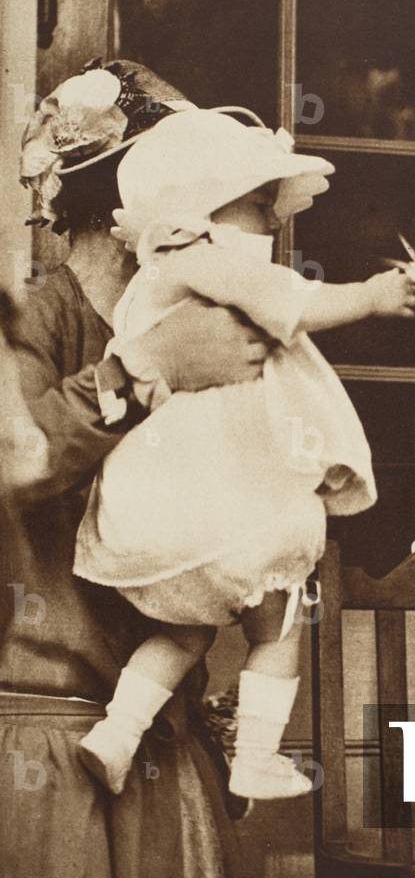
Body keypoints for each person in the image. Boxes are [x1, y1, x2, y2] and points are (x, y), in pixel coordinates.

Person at [73, 107, 415, 800]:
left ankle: (114, 734)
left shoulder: (150, 278)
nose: (273, 224)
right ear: (203, 204)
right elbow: (293, 303)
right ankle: (256, 754)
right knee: (281, 614)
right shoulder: (203, 258)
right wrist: (377, 297)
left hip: (161, 508)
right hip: (222, 497)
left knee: (188, 632)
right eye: (260, 207)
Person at [1, 60, 272, 878]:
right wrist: (140, 371)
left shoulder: (213, 323)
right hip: (43, 748)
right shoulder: (27, 321)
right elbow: (17, 460)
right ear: (131, 197)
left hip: (163, 737)